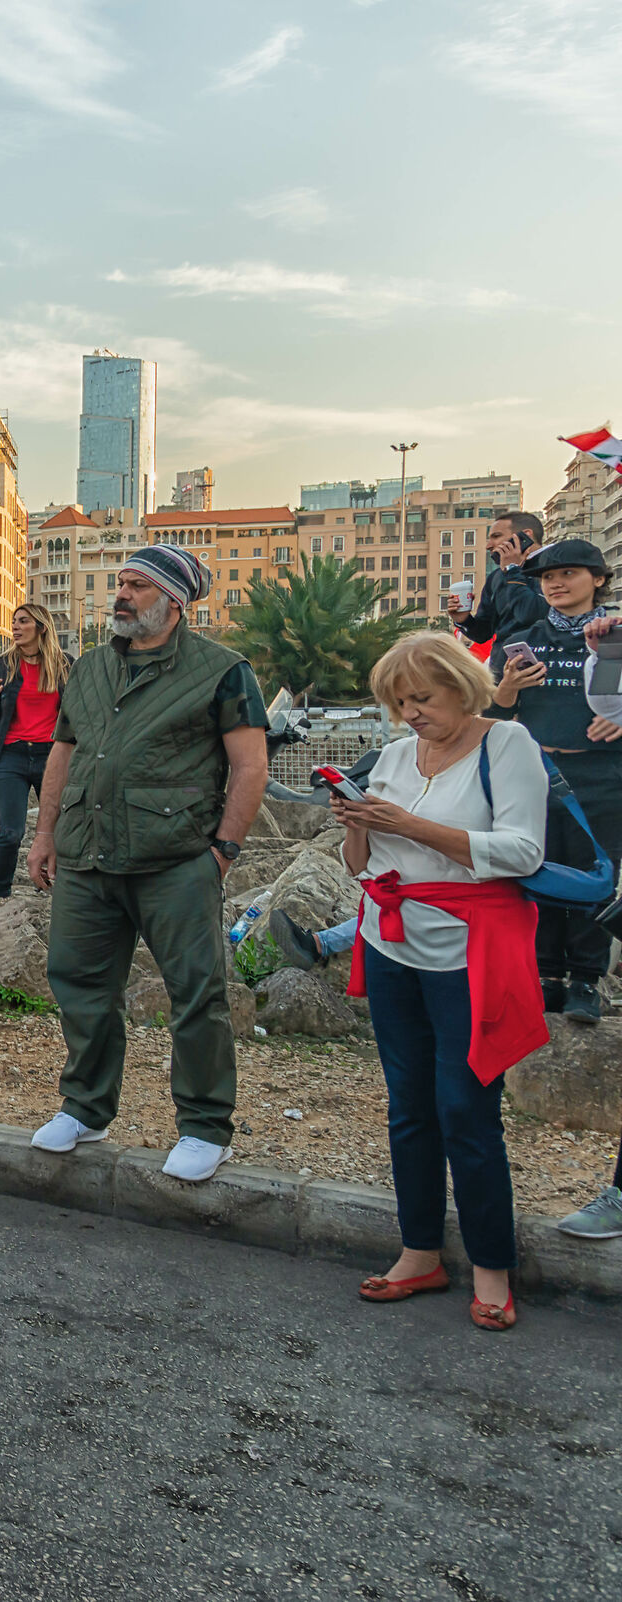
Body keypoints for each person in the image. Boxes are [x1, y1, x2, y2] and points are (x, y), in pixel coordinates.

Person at [25, 545, 269, 1184]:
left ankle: (204, 1126)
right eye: (121, 582)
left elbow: (249, 765)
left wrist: (223, 851)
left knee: (196, 993)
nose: (122, 594)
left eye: (137, 585)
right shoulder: (90, 670)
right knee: (78, 982)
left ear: (174, 601)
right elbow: (63, 753)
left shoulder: (224, 670)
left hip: (177, 858)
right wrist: (45, 834)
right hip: (87, 852)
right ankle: (86, 1107)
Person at [337, 632, 548, 1331]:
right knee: (409, 1108)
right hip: (392, 940)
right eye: (399, 702)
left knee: (466, 1109)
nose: (410, 714)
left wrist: (409, 825)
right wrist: (358, 824)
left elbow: (521, 851)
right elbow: (361, 865)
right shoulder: (397, 755)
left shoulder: (507, 745)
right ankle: (419, 1250)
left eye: (421, 698)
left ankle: (492, 1267)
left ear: (463, 686)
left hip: (469, 952)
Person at [485, 537, 620, 1024]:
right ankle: (544, 976)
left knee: (596, 877)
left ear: (598, 579)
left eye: (568, 574)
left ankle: (585, 980)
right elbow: (490, 714)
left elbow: (613, 703)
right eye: (547, 578)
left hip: (602, 775)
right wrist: (505, 691)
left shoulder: (614, 637)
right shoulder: (526, 638)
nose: (556, 584)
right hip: (537, 774)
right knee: (535, 871)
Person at [0, 602, 71, 900]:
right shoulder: (1, 666)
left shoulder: (65, 665)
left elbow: (76, 715)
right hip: (10, 756)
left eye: (23, 621)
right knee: (11, 832)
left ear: (41, 627)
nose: (15, 627)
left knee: (58, 832)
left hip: (52, 756)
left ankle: (49, 887)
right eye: (14, 621)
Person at [449, 510, 551, 652]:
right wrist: (463, 620)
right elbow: (483, 634)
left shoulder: (557, 568)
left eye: (496, 536)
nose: (488, 545)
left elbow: (530, 614)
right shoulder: (496, 577)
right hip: (503, 667)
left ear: (525, 536)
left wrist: (512, 569)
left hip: (548, 663)